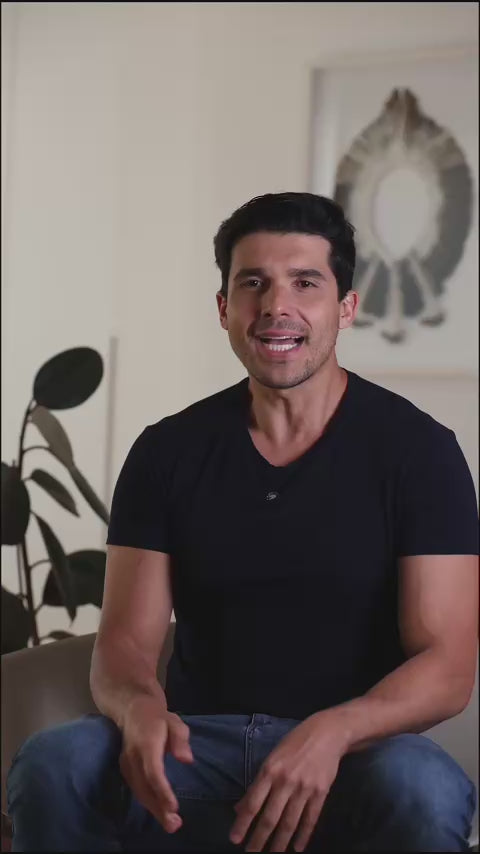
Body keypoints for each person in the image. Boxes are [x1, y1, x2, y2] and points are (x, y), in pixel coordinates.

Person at [7, 193, 479, 853]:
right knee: (56, 763)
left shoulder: (420, 452)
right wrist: (140, 709)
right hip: (195, 752)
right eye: (253, 283)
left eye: (305, 283)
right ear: (224, 307)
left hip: (353, 758)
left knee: (423, 788)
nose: (275, 306)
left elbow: (447, 664)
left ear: (346, 307)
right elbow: (125, 644)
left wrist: (334, 731)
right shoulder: (167, 452)